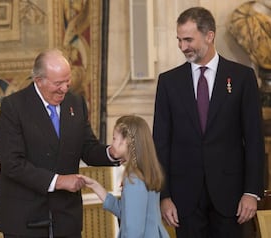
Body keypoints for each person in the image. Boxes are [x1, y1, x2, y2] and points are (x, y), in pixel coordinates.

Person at [152, 7, 265, 238]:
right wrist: (164, 196)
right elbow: (160, 145)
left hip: (232, 200)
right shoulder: (168, 82)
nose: (183, 47)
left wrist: (251, 192)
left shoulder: (243, 78)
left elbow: (254, 139)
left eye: (188, 39)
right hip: (185, 201)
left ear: (209, 36)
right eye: (179, 40)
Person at [0, 48, 120, 238]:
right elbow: (12, 164)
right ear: (39, 80)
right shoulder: (14, 107)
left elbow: (87, 148)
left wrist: (112, 153)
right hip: (26, 220)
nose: (64, 88)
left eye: (67, 81)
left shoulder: (76, 103)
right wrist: (59, 181)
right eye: (58, 83)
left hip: (66, 219)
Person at [78, 115, 169, 238]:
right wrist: (96, 186)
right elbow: (128, 213)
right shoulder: (145, 173)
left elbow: (133, 231)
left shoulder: (134, 180)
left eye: (114, 139)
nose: (112, 143)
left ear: (126, 141)